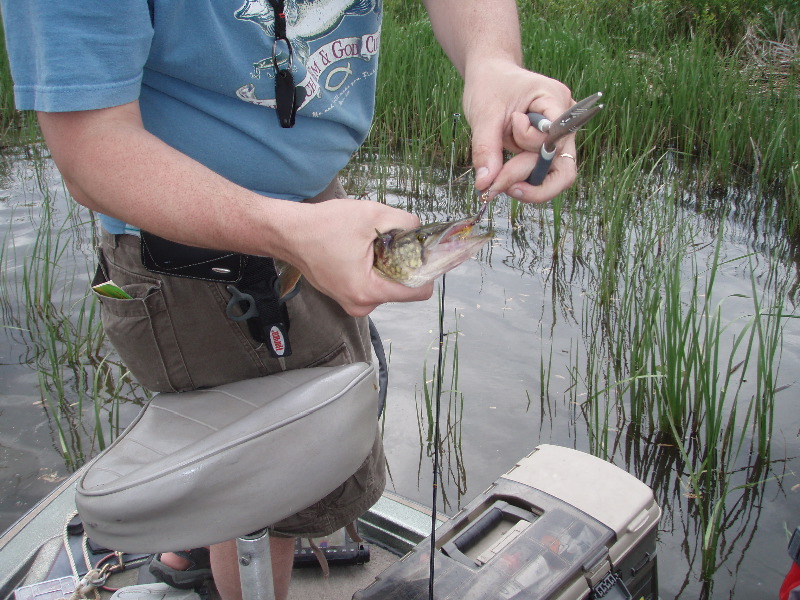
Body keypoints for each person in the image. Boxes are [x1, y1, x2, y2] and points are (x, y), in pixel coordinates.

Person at [1, 1, 579, 598]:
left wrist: (492, 64)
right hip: (194, 251)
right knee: (276, 486)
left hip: (309, 213)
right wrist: (288, 232)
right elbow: (88, 150)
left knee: (277, 443)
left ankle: (192, 554)